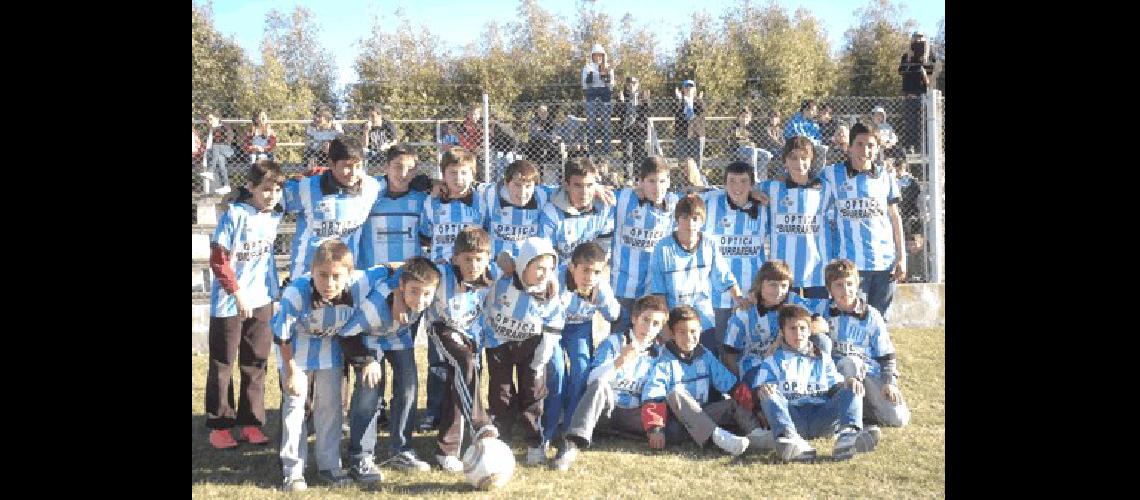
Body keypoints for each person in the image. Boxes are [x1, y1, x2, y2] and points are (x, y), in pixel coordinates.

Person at [272, 239, 392, 491]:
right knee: (295, 406)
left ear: (350, 275)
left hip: (329, 350)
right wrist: (290, 370)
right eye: (322, 275)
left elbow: (389, 268)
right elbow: (281, 334)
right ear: (312, 271)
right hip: (296, 351)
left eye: (336, 276)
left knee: (331, 407)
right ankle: (292, 471)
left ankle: (329, 465)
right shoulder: (296, 292)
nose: (329, 283)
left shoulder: (361, 282)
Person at [204, 160, 286, 450]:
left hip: (261, 299)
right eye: (266, 189)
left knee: (255, 363)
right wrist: (236, 292)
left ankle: (251, 422)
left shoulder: (274, 215)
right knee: (222, 364)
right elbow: (218, 259)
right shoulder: (235, 215)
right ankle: (220, 425)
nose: (272, 195)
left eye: (276, 190)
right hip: (231, 302)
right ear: (250, 187)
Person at [339, 257, 442, 480]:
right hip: (367, 337)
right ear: (402, 286)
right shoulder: (374, 307)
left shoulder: (421, 293)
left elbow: (409, 266)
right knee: (369, 392)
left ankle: (400, 449)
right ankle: (360, 456)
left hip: (397, 336)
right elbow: (346, 334)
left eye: (426, 294)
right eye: (414, 292)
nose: (421, 300)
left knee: (408, 387)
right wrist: (366, 360)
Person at [747, 304, 881, 462]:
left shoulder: (822, 358)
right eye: (792, 329)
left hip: (822, 417)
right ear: (782, 332)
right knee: (768, 394)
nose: (798, 333)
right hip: (792, 417)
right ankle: (790, 440)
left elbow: (835, 387)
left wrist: (848, 383)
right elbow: (758, 396)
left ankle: (848, 437)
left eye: (803, 328)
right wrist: (764, 389)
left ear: (810, 331)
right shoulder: (772, 360)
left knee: (852, 386)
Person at [550, 295, 670, 471]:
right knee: (599, 386)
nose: (649, 328)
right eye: (645, 320)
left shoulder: (660, 353)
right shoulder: (613, 342)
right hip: (607, 410)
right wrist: (619, 362)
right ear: (634, 318)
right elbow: (592, 380)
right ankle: (572, 443)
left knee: (673, 428)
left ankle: (622, 434)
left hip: (635, 414)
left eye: (656, 324)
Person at [482, 237, 566, 465]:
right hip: (499, 343)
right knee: (501, 393)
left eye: (549, 269)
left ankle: (534, 442)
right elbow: (493, 260)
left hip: (532, 346)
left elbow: (554, 327)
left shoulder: (549, 293)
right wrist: (503, 261)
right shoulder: (503, 278)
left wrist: (540, 359)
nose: (544, 274)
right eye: (538, 268)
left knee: (533, 394)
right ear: (523, 264)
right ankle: (502, 438)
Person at [426, 227, 500, 472]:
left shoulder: (493, 275)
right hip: (443, 329)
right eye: (467, 259)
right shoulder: (441, 274)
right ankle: (480, 423)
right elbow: (410, 272)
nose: (473, 265)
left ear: (487, 258)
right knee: (464, 364)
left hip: (471, 335)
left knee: (457, 384)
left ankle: (447, 450)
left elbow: (521, 269)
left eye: (479, 259)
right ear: (455, 258)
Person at [639, 306, 757, 456]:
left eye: (693, 331)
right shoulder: (663, 361)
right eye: (682, 332)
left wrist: (756, 408)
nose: (688, 337)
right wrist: (655, 428)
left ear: (700, 330)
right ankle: (718, 438)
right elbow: (653, 396)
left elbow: (731, 385)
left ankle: (756, 435)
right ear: (672, 334)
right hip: (675, 424)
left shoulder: (704, 355)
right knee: (676, 393)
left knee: (732, 403)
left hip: (703, 414)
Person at [541, 242, 621, 460]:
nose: (590, 277)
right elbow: (546, 311)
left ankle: (570, 431)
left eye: (596, 271)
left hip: (579, 328)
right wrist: (568, 295)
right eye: (585, 270)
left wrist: (602, 301)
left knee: (582, 370)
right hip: (553, 328)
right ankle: (546, 430)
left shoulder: (600, 286)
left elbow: (614, 315)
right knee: (557, 371)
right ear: (571, 267)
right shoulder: (556, 280)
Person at [819, 123, 907, 316]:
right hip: (851, 266)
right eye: (859, 144)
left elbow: (894, 217)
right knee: (853, 318)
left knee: (879, 320)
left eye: (870, 145)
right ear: (849, 147)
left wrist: (902, 256)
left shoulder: (886, 176)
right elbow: (804, 183)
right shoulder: (831, 174)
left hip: (885, 264)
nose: (865, 150)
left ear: (877, 148)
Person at [816, 259, 911, 428]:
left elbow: (887, 354)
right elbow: (792, 312)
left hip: (868, 374)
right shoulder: (821, 309)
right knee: (849, 362)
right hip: (836, 376)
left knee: (898, 419)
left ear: (857, 285)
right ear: (829, 289)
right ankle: (849, 418)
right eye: (839, 285)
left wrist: (889, 382)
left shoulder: (872, 315)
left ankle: (862, 409)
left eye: (850, 284)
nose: (846, 290)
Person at [647, 194, 744, 354]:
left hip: (702, 316)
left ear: (702, 221)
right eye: (684, 218)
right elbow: (659, 292)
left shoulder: (709, 243)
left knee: (708, 356)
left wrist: (739, 298)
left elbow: (724, 275)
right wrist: (665, 328)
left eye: (695, 218)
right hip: (674, 316)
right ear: (677, 219)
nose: (690, 224)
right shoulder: (662, 248)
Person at [609, 157, 678, 337]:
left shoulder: (673, 204)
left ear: (669, 181)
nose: (657, 187)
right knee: (620, 337)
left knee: (649, 339)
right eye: (651, 181)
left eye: (662, 181)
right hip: (623, 286)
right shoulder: (624, 198)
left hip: (653, 288)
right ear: (640, 182)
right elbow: (596, 191)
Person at [696, 161, 767, 337]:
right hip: (717, 295)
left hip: (752, 294)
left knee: (749, 344)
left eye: (743, 181)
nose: (737, 187)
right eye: (732, 181)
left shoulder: (765, 209)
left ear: (752, 185)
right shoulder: (710, 203)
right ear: (724, 184)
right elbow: (681, 199)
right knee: (719, 344)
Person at [537, 157, 615, 267]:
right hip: (561, 275)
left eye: (589, 185)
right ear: (566, 185)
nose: (584, 192)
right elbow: (546, 256)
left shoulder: (604, 208)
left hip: (591, 274)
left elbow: (604, 251)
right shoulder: (551, 213)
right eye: (578, 185)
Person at [897, 31, 937, 153]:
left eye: (920, 38)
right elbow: (901, 71)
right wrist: (909, 58)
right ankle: (910, 147)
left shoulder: (930, 55)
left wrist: (924, 66)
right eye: (916, 38)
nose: (918, 40)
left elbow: (933, 72)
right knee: (910, 123)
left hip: (923, 95)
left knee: (924, 122)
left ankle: (926, 147)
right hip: (909, 94)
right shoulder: (906, 56)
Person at [581, 43, 615, 157]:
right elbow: (584, 85)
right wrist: (589, 79)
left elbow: (612, 85)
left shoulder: (608, 67)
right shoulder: (587, 67)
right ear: (592, 56)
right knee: (591, 123)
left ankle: (606, 150)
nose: (598, 57)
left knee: (606, 123)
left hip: (605, 94)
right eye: (596, 55)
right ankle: (591, 150)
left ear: (603, 56)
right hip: (591, 93)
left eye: (600, 55)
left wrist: (605, 78)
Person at [200, 109, 236, 195]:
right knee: (221, 163)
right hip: (217, 153)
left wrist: (227, 134)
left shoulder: (223, 127)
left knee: (216, 146)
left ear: (217, 118)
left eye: (211, 119)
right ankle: (226, 185)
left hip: (227, 150)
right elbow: (207, 145)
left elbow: (229, 140)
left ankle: (211, 171)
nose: (209, 121)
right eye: (208, 120)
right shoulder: (210, 130)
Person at [617, 78, 651, 168]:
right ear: (626, 85)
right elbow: (617, 112)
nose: (631, 85)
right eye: (629, 83)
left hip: (639, 128)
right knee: (627, 154)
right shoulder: (623, 95)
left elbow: (648, 111)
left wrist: (645, 102)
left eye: (634, 83)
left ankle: (638, 177)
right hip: (626, 129)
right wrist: (621, 101)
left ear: (638, 84)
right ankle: (628, 178)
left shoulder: (643, 95)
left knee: (639, 154)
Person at [672, 80, 705, 167]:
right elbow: (674, 111)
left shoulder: (699, 100)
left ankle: (697, 180)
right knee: (682, 163)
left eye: (691, 86)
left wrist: (697, 100)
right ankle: (683, 180)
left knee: (697, 164)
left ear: (694, 89)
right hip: (681, 134)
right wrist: (680, 100)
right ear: (683, 89)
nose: (689, 88)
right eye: (686, 86)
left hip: (696, 135)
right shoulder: (678, 100)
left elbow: (700, 111)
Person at [363, 104, 400, 173]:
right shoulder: (367, 126)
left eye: (373, 116)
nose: (371, 118)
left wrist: (387, 146)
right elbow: (365, 145)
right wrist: (366, 131)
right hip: (373, 152)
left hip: (386, 151)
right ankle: (365, 174)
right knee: (364, 152)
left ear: (379, 115)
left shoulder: (387, 124)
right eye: (369, 116)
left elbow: (395, 141)